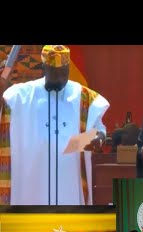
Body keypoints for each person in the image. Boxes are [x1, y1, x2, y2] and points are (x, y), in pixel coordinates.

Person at [0, 45, 108, 205]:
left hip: (69, 184)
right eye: (54, 73)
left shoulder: (83, 97)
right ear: (44, 68)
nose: (59, 78)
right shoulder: (21, 95)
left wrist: (98, 137)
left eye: (63, 73)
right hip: (33, 187)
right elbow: (3, 111)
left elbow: (98, 130)